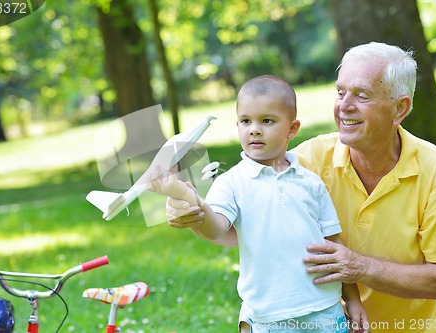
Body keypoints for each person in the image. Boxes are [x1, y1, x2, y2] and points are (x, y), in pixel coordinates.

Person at [166, 42, 436, 333]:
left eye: (361, 95)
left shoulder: (433, 170)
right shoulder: (305, 162)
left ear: (399, 108)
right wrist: (193, 212)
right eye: (340, 92)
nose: (344, 106)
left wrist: (359, 267)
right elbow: (237, 227)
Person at [149, 75, 368, 333]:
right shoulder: (232, 182)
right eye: (246, 121)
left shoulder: (311, 181)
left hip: (324, 310)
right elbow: (215, 227)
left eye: (267, 121)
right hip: (269, 317)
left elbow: (334, 245)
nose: (254, 129)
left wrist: (352, 299)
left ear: (292, 129)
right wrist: (187, 198)